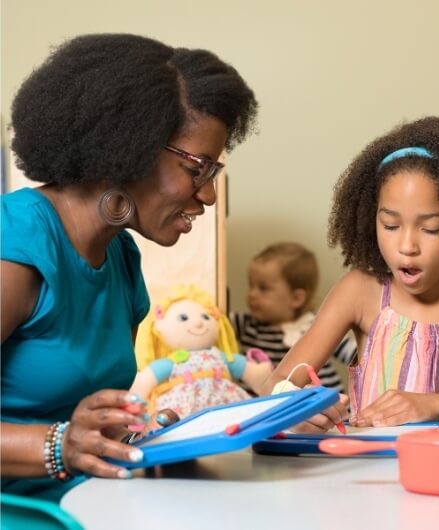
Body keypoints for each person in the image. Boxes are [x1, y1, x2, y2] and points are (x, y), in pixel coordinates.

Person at [0, 33, 258, 501]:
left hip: (83, 501)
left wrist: (132, 438)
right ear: (129, 145)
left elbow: (81, 421)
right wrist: (58, 446)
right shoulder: (16, 245)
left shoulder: (121, 257)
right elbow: (63, 438)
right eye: (197, 168)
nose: (208, 195)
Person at [262, 116, 439, 433]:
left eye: (431, 228)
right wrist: (296, 406)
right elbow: (275, 385)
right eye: (390, 225)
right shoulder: (361, 292)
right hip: (368, 477)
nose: (407, 246)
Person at [230, 242, 356, 392]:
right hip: (265, 408)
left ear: (296, 299)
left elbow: (357, 354)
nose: (252, 294)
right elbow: (216, 323)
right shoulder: (247, 324)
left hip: (323, 407)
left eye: (263, 288)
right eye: (251, 285)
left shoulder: (316, 325)